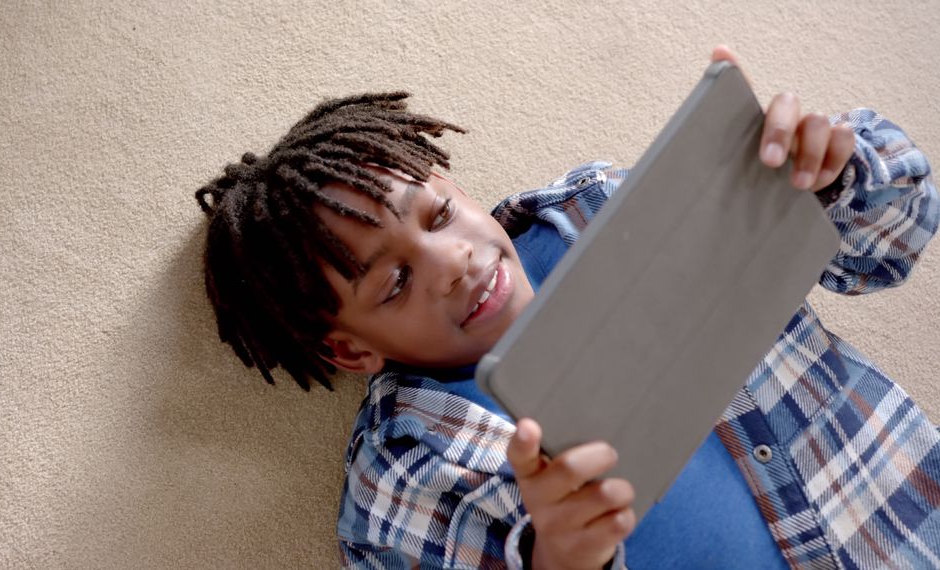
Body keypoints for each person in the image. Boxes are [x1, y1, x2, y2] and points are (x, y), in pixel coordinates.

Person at [193, 46, 940, 569]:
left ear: (450, 183)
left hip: (905, 525)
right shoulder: (401, 476)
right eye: (394, 285)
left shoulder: (608, 206)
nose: (452, 264)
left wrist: (836, 172)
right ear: (353, 351)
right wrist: (559, 557)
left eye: (440, 216)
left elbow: (890, 247)